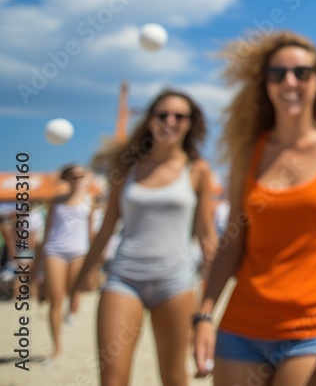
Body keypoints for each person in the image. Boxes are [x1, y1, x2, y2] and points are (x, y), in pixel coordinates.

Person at [193, 31, 316, 386]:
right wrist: (203, 314)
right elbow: (234, 237)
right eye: (277, 74)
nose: (289, 82)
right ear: (266, 85)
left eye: (302, 73)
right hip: (240, 327)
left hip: (314, 329)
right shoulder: (249, 151)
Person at [72, 89, 218, 386]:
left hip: (175, 282)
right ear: (150, 120)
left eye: (180, 116)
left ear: (191, 124)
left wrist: (208, 304)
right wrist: (78, 282)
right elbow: (105, 229)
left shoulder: (197, 170)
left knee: (174, 377)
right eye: (162, 114)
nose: (170, 121)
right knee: (112, 380)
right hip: (123, 279)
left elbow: (207, 236)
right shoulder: (127, 168)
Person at [40, 163, 96, 358]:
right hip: (55, 251)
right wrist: (36, 268)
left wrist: (95, 261)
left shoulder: (90, 200)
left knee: (76, 289)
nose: (78, 179)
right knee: (56, 300)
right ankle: (56, 346)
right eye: (74, 176)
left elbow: (91, 233)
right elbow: (46, 233)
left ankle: (71, 310)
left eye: (82, 175)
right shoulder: (55, 201)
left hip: (79, 252)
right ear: (67, 179)